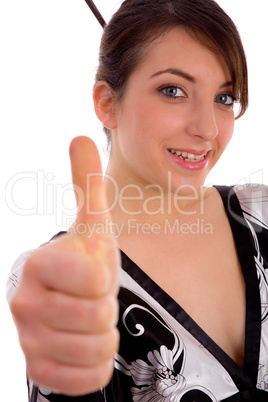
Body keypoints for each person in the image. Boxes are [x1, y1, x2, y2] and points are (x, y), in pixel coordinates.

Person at [6, 0, 268, 400]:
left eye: (225, 97)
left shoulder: (260, 213)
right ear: (107, 103)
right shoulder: (66, 278)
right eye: (173, 90)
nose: (208, 128)